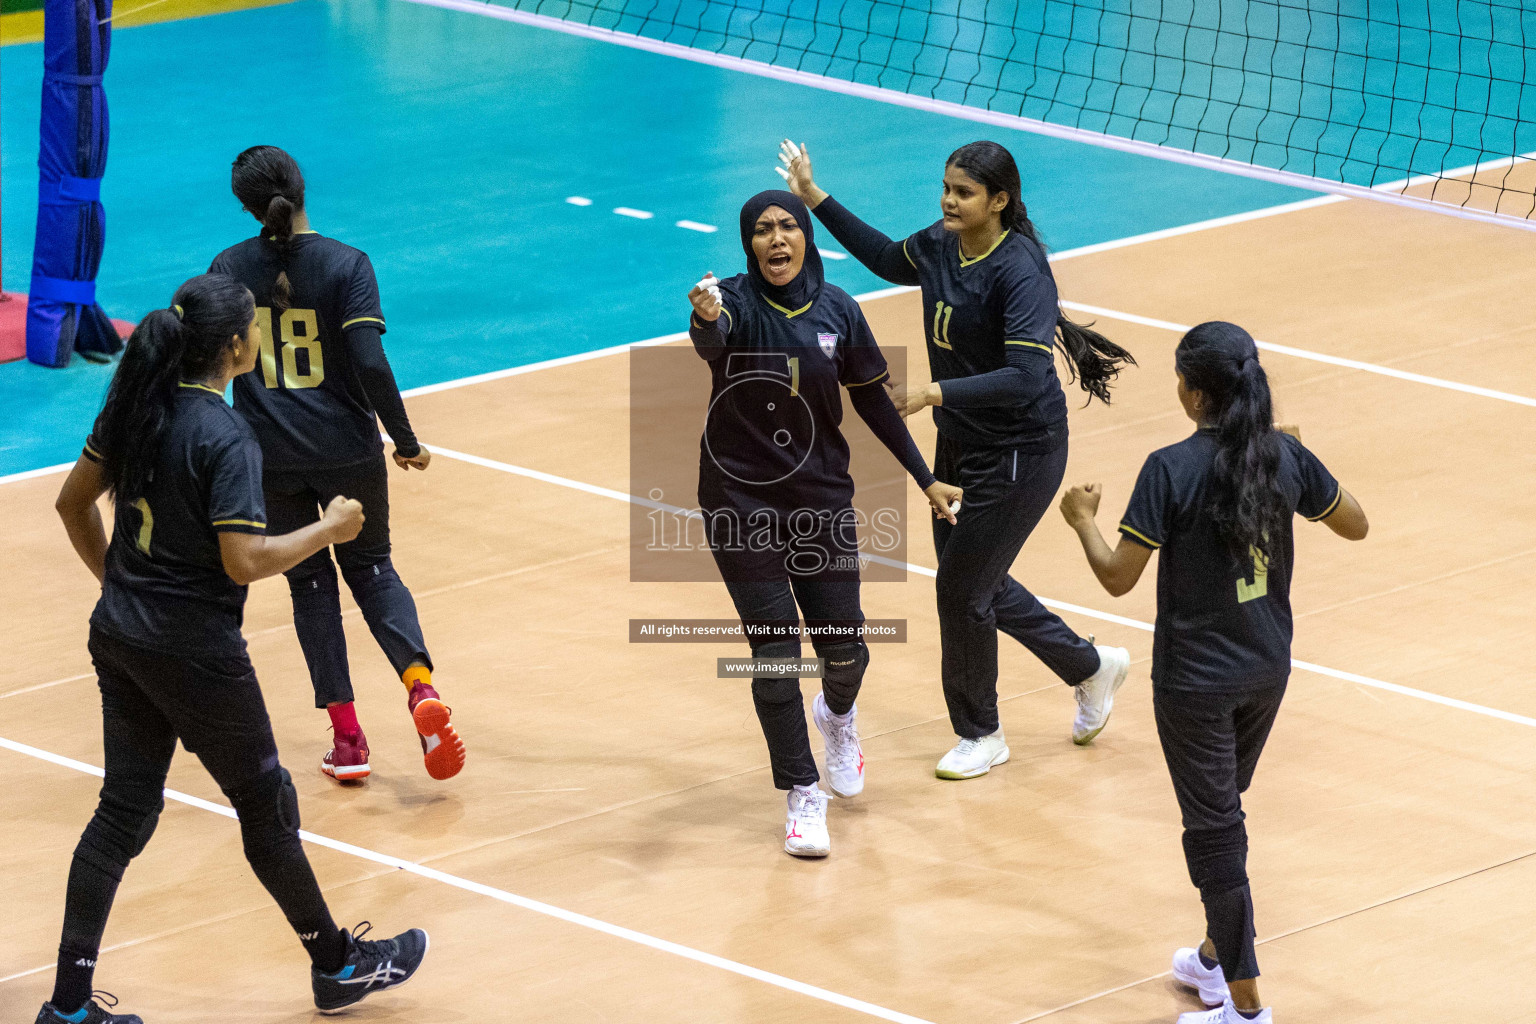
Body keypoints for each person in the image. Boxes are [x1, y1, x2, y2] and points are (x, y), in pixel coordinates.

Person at [43, 274, 428, 1024]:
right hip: (193, 649)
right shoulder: (225, 436)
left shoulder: (132, 407)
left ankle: (67, 1008)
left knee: (120, 813)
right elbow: (243, 562)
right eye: (253, 326)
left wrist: (123, 585)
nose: (258, 335)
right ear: (233, 346)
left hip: (121, 635)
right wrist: (330, 528)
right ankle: (339, 966)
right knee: (265, 805)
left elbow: (69, 502)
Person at [777, 139, 1134, 779]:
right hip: (961, 438)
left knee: (961, 588)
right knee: (977, 581)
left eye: (964, 192)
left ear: (999, 202)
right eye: (945, 186)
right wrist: (814, 198)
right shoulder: (944, 244)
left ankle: (982, 733)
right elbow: (889, 260)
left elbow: (1026, 376)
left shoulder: (1019, 269)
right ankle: (1089, 667)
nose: (948, 200)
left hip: (1022, 446)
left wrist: (932, 391)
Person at [1057, 321, 1368, 1024]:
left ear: (1194, 393)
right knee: (1224, 809)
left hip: (1196, 683)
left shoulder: (1171, 467)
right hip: (1266, 670)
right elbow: (1356, 524)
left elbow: (1116, 578)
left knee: (1214, 832)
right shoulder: (1283, 456)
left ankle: (1246, 1006)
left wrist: (1081, 519)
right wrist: (1299, 459)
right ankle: (1212, 960)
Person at [688, 190, 963, 857]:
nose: (776, 239)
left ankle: (837, 714)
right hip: (738, 501)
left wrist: (925, 478)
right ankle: (801, 793)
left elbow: (872, 400)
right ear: (747, 244)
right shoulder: (731, 302)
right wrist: (704, 318)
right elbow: (711, 339)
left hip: (819, 500)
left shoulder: (840, 309)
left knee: (846, 652)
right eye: (761, 231)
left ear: (807, 237)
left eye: (787, 227)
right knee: (776, 655)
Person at [209, 145, 465, 783]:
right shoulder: (347, 264)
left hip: (268, 456)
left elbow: (209, 365)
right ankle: (419, 688)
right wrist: (404, 441)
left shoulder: (229, 267)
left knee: (310, 586)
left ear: (246, 206)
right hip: (346, 449)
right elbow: (370, 364)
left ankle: (348, 741)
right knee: (373, 568)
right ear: (301, 191)